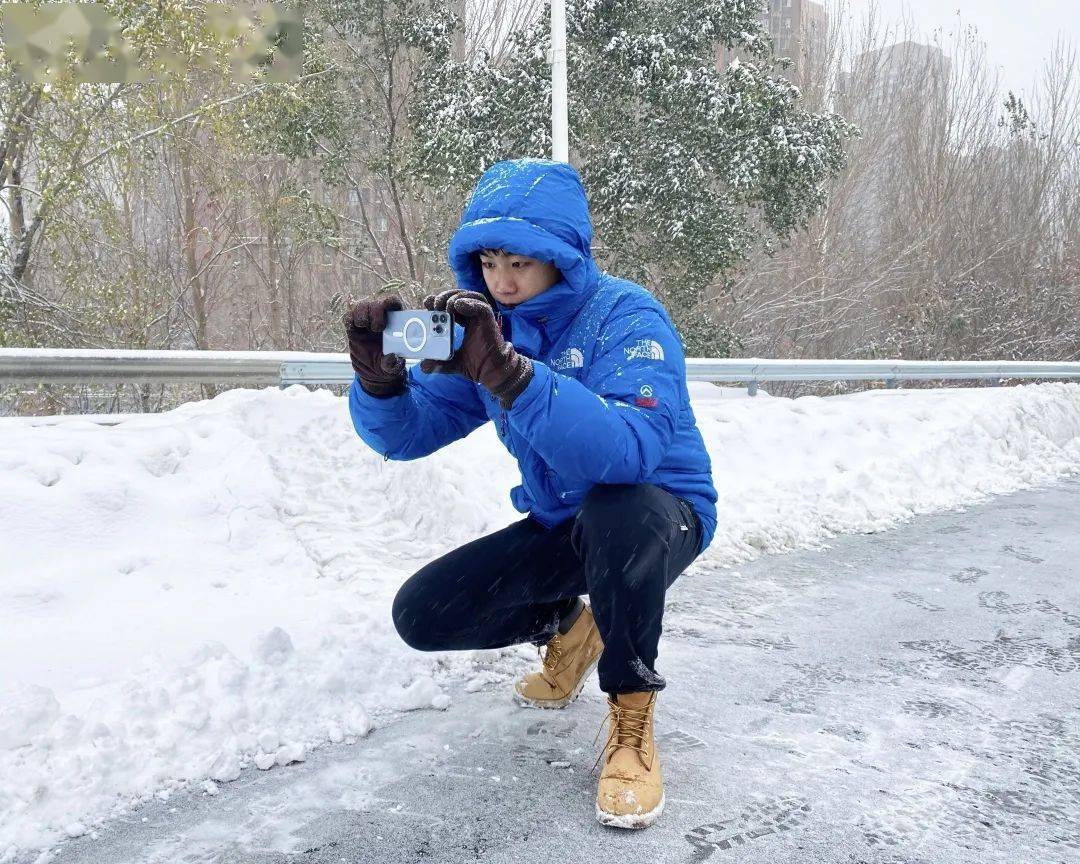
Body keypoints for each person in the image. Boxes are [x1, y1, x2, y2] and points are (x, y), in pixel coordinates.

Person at [343, 157, 717, 829]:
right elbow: (410, 435)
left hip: (659, 513)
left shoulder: (627, 317)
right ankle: (571, 630)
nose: (502, 281)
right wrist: (381, 386)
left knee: (618, 511)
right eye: (489, 262)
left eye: (520, 262)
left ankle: (631, 723)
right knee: (424, 613)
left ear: (562, 257)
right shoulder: (491, 333)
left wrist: (516, 378)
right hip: (564, 522)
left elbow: (629, 454)